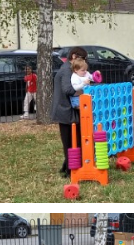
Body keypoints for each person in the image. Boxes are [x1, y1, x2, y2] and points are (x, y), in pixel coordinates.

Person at [53, 47, 88, 176]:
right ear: (74, 56)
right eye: (82, 58)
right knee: (70, 142)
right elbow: (67, 89)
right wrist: (82, 90)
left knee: (75, 140)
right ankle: (69, 170)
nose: (84, 61)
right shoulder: (67, 70)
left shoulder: (69, 68)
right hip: (65, 110)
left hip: (68, 109)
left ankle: (66, 167)